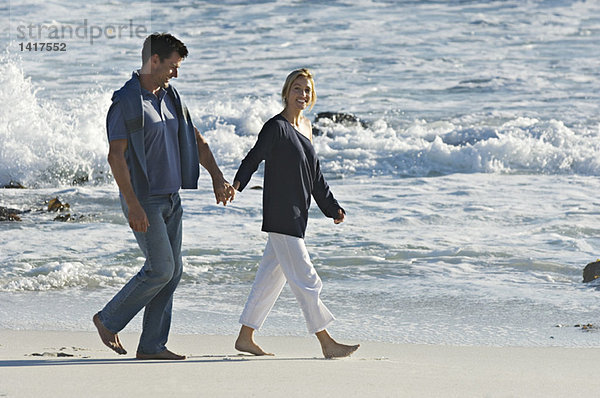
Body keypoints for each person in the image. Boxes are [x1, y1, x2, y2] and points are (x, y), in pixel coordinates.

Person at [93, 33, 234, 360]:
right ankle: (108, 319)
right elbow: (116, 157)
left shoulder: (171, 96)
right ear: (153, 60)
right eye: (172, 66)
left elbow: (195, 139)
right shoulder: (126, 102)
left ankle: (152, 345)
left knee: (173, 271)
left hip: (172, 199)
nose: (176, 73)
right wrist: (132, 204)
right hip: (144, 200)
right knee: (160, 268)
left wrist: (217, 177)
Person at [232, 68, 360, 359]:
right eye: (297, 89)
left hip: (297, 214)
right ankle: (327, 342)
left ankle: (245, 337)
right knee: (306, 279)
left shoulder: (306, 127)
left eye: (307, 91)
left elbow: (315, 176)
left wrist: (332, 208)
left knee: (269, 280)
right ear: (286, 92)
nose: (302, 95)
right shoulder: (276, 127)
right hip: (281, 213)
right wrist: (236, 185)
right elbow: (253, 157)